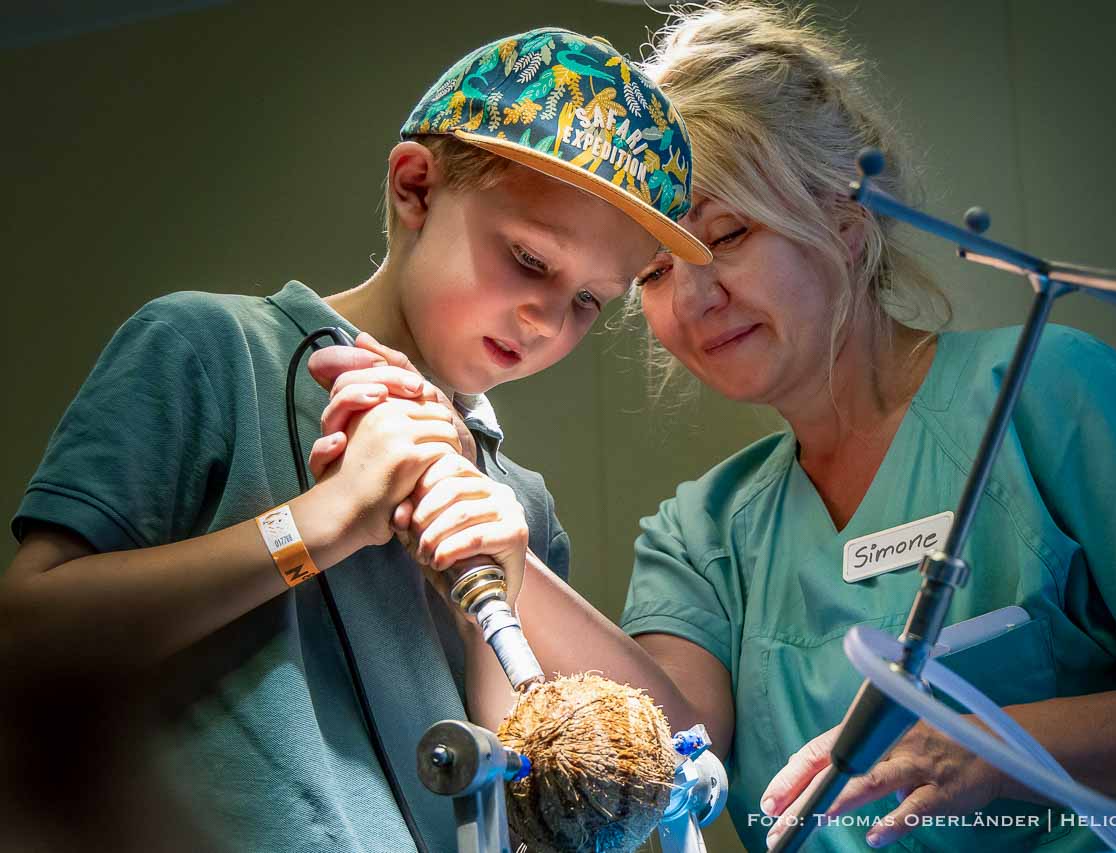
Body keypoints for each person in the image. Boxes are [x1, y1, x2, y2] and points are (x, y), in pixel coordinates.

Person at [307, 4, 1116, 852]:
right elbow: (673, 744)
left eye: (725, 235)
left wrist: (1006, 747)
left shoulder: (1045, 397)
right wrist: (500, 546)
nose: (691, 296)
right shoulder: (706, 531)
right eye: (647, 274)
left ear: (845, 221)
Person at [0, 27, 709, 853]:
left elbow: (556, 805)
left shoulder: (520, 506)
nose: (549, 320)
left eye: (591, 300)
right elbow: (28, 642)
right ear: (415, 187)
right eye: (527, 258)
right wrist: (321, 523)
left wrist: (497, 597)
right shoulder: (212, 351)